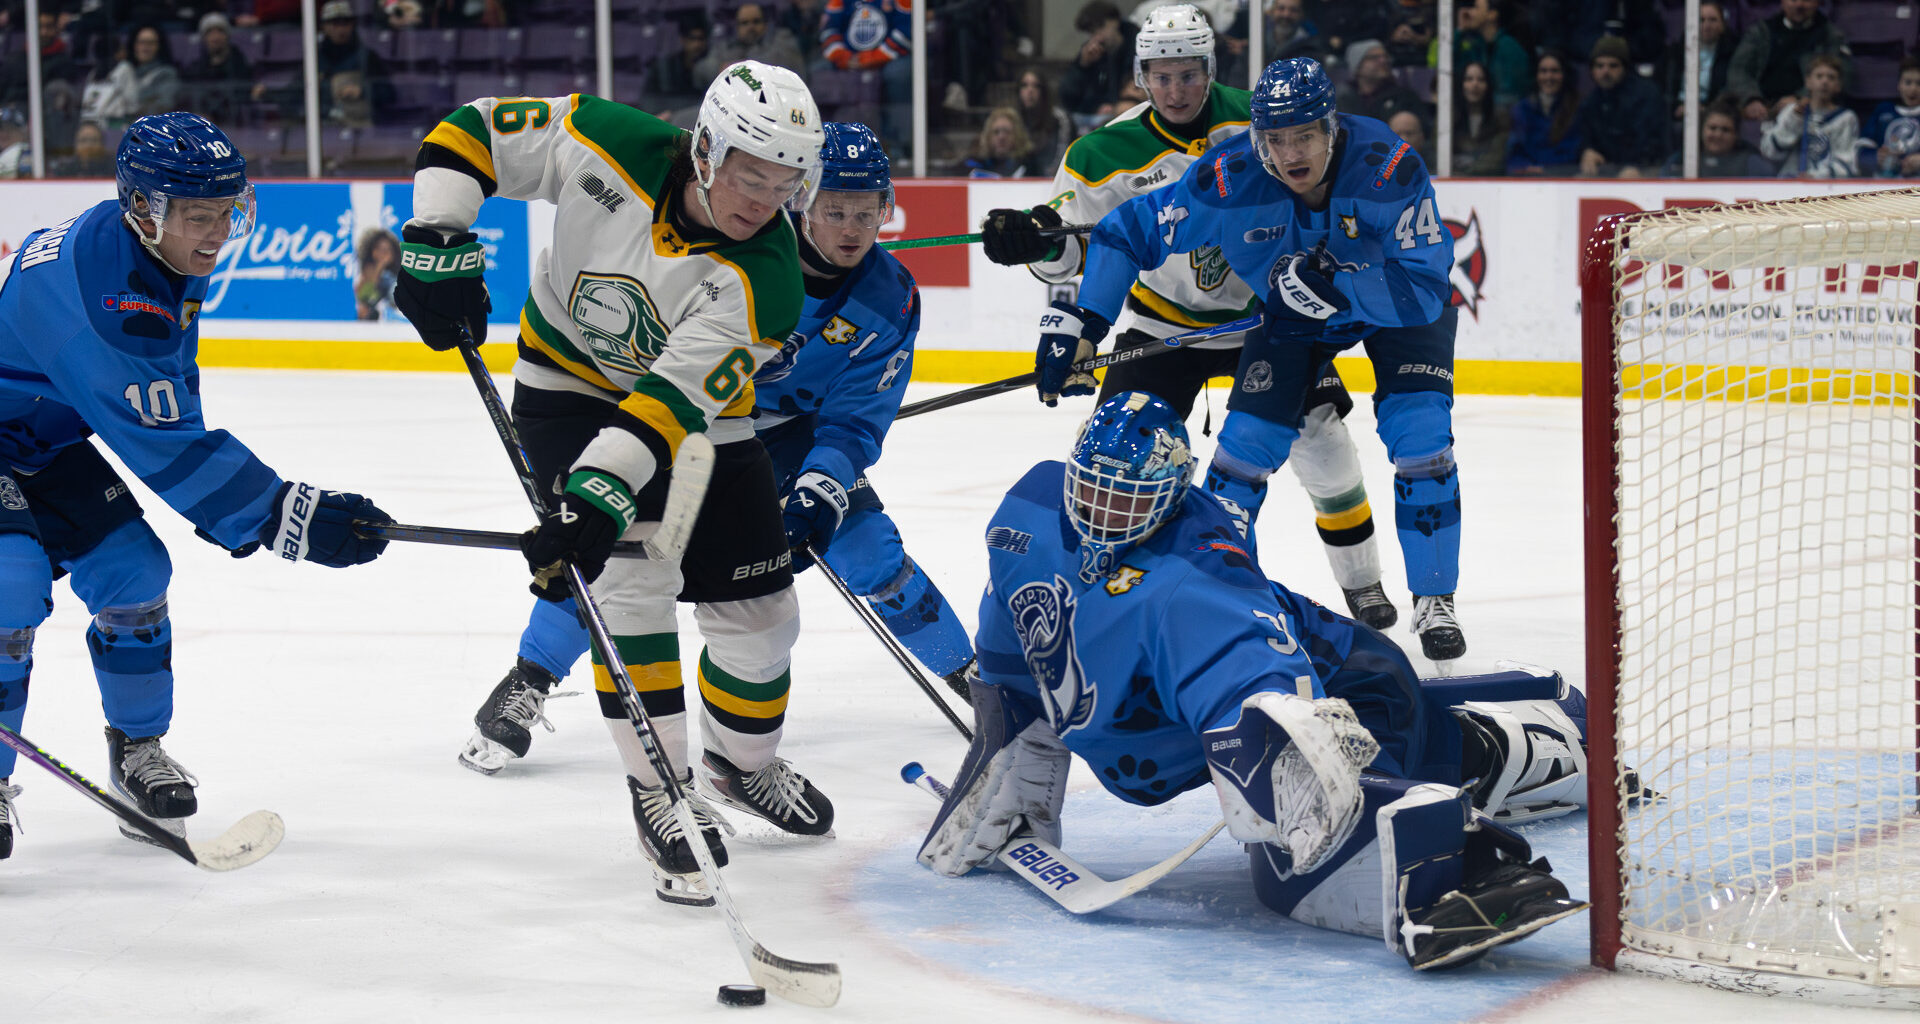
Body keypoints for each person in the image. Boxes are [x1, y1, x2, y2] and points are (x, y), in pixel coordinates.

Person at [917, 391, 1590, 970]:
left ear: (1173, 498)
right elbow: (1013, 628)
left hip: (1350, 689)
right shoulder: (1028, 513)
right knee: (1295, 830)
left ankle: (1543, 756)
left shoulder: (1197, 575)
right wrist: (1013, 729)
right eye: (1091, 488)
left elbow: (1266, 693)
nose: (1101, 513)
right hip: (1193, 724)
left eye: (1128, 500)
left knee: (1300, 860)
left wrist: (1429, 853)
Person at [395, 62, 835, 905]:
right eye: (751, 175)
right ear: (706, 149)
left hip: (698, 416)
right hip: (563, 384)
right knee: (630, 583)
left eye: (784, 185)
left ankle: (743, 768)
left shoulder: (768, 279)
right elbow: (470, 130)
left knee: (761, 619)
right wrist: (441, 234)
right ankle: (663, 792)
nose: (763, 200)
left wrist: (602, 492)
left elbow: (668, 406)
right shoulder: (607, 138)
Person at [463, 122, 981, 779]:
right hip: (687, 425)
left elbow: (853, 422)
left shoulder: (890, 297)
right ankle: (532, 674)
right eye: (834, 210)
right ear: (803, 201)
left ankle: (972, 675)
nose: (851, 229)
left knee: (871, 552)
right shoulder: (744, 248)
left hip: (785, 439)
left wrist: (821, 488)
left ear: (888, 210)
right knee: (609, 552)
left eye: (867, 211)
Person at [0, 112, 391, 859]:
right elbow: (161, 444)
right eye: (199, 216)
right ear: (145, 206)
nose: (216, 233)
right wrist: (282, 516)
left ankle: (136, 753)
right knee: (7, 585)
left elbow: (172, 398)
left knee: (136, 572)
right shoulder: (106, 301)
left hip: (40, 441)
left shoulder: (151, 255)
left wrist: (230, 507)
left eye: (227, 213)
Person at [1025, 58, 1468, 662]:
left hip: (1397, 307)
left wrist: (1341, 289)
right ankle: (1224, 605)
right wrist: (1086, 321)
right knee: (1242, 452)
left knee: (1420, 436)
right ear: (1256, 138)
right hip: (1295, 312)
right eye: (1276, 138)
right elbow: (1126, 232)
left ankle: (1434, 597)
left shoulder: (1388, 167)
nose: (1290, 154)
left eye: (1305, 135)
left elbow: (1424, 286)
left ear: (1331, 129)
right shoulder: (1228, 179)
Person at [980, 6, 1400, 633]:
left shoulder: (1262, 120)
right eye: (1160, 76)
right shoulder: (1102, 151)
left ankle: (1364, 583)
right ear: (1140, 75)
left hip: (1267, 321)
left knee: (1322, 436)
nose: (1175, 92)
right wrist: (1032, 242)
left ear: (1210, 68)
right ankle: (1099, 597)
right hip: (1161, 330)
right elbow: (1070, 247)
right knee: (1114, 462)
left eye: (1188, 75)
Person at [1726, 0, 1853, 125]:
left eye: (1806, 0)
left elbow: (1840, 76)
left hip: (1807, 112)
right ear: (1782, 2)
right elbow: (1738, 70)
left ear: (1818, 3)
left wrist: (1799, 100)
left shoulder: (1830, 36)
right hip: (1761, 109)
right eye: (1793, 0)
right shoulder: (1761, 31)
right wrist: (1751, 99)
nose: (1799, 5)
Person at [1575, 35, 1665, 178]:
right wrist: (1587, 151)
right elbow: (1585, 137)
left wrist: (1637, 166)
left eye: (1613, 65)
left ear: (1625, 68)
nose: (1606, 71)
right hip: (1607, 171)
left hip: (1646, 170)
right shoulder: (1590, 102)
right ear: (1592, 70)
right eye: (1600, 66)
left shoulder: (1646, 96)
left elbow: (1653, 141)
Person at [1758, 51, 1857, 178]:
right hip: (1788, 186)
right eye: (1819, 76)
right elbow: (1770, 151)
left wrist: (1816, 177)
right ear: (1808, 81)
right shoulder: (1792, 111)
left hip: (1827, 190)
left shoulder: (1846, 118)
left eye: (1831, 77)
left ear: (1838, 86)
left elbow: (1846, 162)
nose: (1825, 81)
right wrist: (1795, 119)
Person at [1060, 1, 1140, 132]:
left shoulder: (1136, 45)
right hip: (1094, 117)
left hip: (1127, 112)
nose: (1097, 36)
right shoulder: (1092, 52)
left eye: (1101, 27)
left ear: (1114, 22)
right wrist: (1082, 66)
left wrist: (1114, 106)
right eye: (1092, 32)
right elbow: (1068, 96)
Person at [84, 23, 180, 128]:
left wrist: (129, 108)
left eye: (151, 43)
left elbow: (164, 105)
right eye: (141, 42)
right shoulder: (122, 70)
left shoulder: (166, 73)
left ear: (159, 46)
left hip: (150, 129)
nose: (145, 47)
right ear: (134, 45)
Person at [1507, 49, 1582, 175]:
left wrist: (1546, 170)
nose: (1549, 77)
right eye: (1543, 71)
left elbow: (1574, 152)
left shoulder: (1577, 108)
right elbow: (1515, 151)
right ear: (1536, 75)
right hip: (1529, 179)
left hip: (1563, 179)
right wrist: (1525, 167)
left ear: (1564, 75)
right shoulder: (1523, 109)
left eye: (1555, 71)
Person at [1658, 98, 1775, 177]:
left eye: (1726, 130)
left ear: (1736, 135)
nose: (1718, 135)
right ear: (1702, 130)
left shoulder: (1753, 164)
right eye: (1712, 128)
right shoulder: (1681, 160)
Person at [1660, 0, 1735, 121]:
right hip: (1679, 110)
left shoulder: (1732, 53)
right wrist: (1676, 106)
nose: (1707, 25)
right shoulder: (1675, 52)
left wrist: (1708, 108)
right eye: (1701, 20)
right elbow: (1664, 86)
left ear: (1723, 25)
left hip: (1714, 112)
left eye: (1713, 20)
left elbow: (1729, 90)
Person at [698, 3, 808, 84]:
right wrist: (719, 67)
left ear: (765, 24)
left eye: (756, 21)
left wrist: (735, 68)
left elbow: (788, 64)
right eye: (744, 23)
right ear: (737, 27)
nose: (751, 27)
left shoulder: (782, 38)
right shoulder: (724, 45)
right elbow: (702, 69)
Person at [180, 12, 255, 126]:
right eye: (210, 32)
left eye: (220, 31)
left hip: (231, 123)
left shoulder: (239, 65)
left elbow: (241, 95)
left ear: (227, 35)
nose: (215, 37)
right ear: (204, 38)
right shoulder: (196, 68)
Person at [645, 13, 714, 129]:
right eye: (692, 39)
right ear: (682, 40)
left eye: (701, 39)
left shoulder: (711, 67)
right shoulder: (664, 68)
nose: (697, 44)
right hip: (667, 124)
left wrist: (675, 113)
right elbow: (648, 99)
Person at [1455, 0, 1527, 110]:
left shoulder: (1509, 47)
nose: (1469, 12)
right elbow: (1451, 69)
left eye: (1475, 7)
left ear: (1492, 15)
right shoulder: (1477, 46)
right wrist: (1460, 31)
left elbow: (1512, 94)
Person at [1336, 38, 1423, 125]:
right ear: (1357, 67)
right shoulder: (1342, 97)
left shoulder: (1404, 97)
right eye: (1374, 58)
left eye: (1385, 56)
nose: (1383, 61)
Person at [1858, 57, 1920, 178]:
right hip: (1884, 188)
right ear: (1899, 85)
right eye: (1908, 82)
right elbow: (1860, 153)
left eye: (1919, 83)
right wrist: (1875, 158)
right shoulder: (1883, 111)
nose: (1913, 89)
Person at [1452, 60, 1510, 176]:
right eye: (1469, 79)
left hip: (1490, 181)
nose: (1475, 84)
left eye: (1481, 80)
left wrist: (1470, 170)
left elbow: (1498, 156)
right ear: (1461, 84)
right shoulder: (1449, 118)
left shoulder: (1501, 118)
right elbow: (1437, 153)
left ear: (1488, 85)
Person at [1014, 68, 1075, 178]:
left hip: (1052, 181)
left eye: (1036, 86)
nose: (1030, 90)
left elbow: (1062, 156)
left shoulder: (1060, 119)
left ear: (1044, 91)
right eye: (1024, 85)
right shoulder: (1013, 119)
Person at [962, 107, 1035, 178]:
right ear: (988, 136)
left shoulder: (1030, 166)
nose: (1001, 137)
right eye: (996, 132)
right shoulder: (976, 165)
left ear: (1017, 135)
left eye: (1007, 131)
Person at [354, 227, 400, 320]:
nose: (384, 254)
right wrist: (380, 266)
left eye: (387, 250)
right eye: (380, 249)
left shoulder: (396, 273)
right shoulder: (367, 271)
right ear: (372, 251)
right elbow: (364, 297)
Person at [50, 118, 116, 177]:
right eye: (83, 140)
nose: (88, 145)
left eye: (94, 140)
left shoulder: (113, 169)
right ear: (75, 144)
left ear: (102, 144)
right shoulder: (64, 171)